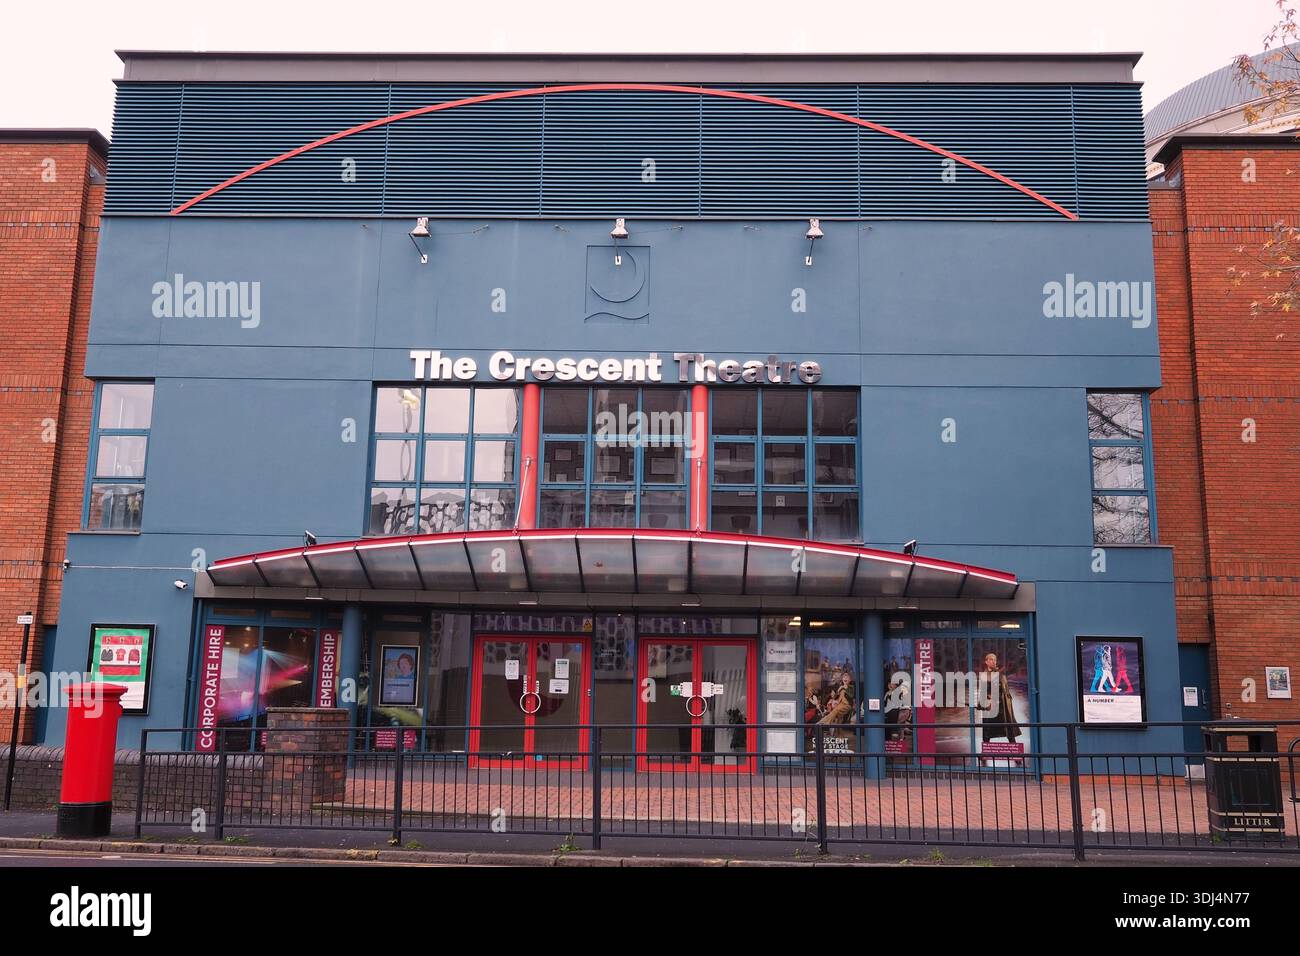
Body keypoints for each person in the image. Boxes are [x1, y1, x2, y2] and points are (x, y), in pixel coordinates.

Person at [975, 653, 1022, 763]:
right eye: (991, 660)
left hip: (1004, 707)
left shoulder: (1000, 674)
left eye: (995, 660)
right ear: (986, 662)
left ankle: (1015, 754)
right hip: (992, 707)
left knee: (1009, 730)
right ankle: (985, 754)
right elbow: (984, 692)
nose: (993, 662)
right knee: (987, 730)